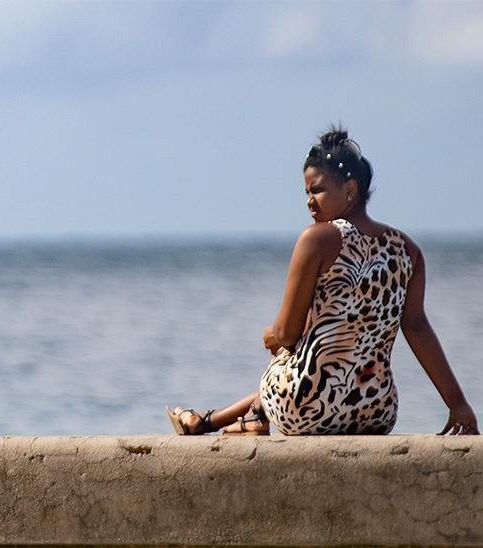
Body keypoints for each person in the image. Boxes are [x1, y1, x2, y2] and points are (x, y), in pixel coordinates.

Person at [166, 126, 478, 436]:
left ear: (350, 190)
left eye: (317, 190)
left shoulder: (317, 239)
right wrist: (457, 404)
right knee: (320, 349)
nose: (309, 202)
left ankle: (231, 420)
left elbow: (287, 333)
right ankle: (219, 420)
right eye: (306, 193)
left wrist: (274, 337)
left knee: (290, 354)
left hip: (305, 411)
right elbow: (417, 327)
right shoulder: (409, 250)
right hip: (376, 411)